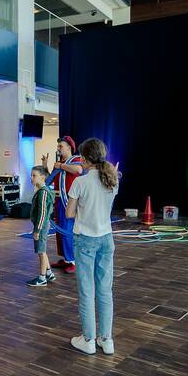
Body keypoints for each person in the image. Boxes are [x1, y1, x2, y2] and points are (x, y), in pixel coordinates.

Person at [67, 138, 119, 355]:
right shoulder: (112, 180)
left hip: (85, 240)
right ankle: (106, 340)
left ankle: (88, 340)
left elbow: (69, 213)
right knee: (105, 291)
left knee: (86, 291)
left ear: (85, 158)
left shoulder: (80, 182)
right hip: (106, 239)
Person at [42, 136, 84, 274]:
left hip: (69, 201)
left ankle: (72, 261)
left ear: (69, 147)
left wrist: (61, 166)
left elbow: (78, 170)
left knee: (67, 230)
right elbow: (49, 180)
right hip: (59, 201)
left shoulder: (76, 160)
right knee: (60, 231)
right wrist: (45, 166)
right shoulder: (60, 163)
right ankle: (66, 259)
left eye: (61, 146)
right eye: (58, 146)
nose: (58, 148)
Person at [27, 166, 56, 287]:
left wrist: (37, 230)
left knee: (41, 252)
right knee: (42, 250)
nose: (31, 178)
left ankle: (42, 278)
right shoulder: (42, 191)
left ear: (42, 177)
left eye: (34, 176)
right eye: (31, 175)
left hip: (41, 226)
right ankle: (49, 273)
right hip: (41, 225)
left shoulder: (43, 192)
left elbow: (42, 213)